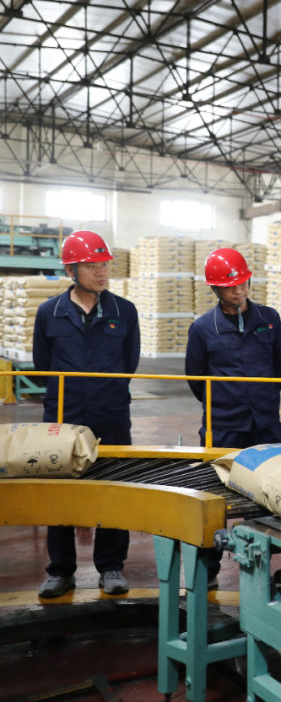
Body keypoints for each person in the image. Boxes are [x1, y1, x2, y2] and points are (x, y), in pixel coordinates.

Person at [32, 231, 140, 598]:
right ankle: (61, 570)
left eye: (104, 265)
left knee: (113, 487)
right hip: (62, 415)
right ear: (71, 270)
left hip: (111, 414)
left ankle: (111, 566)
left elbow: (129, 363)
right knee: (61, 491)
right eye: (92, 266)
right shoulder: (49, 312)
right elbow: (42, 365)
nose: (102, 272)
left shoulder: (124, 311)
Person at [186, 247, 281, 448]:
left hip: (265, 422)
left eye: (242, 283)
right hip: (224, 426)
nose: (238, 291)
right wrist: (224, 401)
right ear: (215, 288)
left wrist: (265, 393)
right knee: (221, 467)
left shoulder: (269, 318)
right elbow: (196, 378)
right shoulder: (203, 328)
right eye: (230, 287)